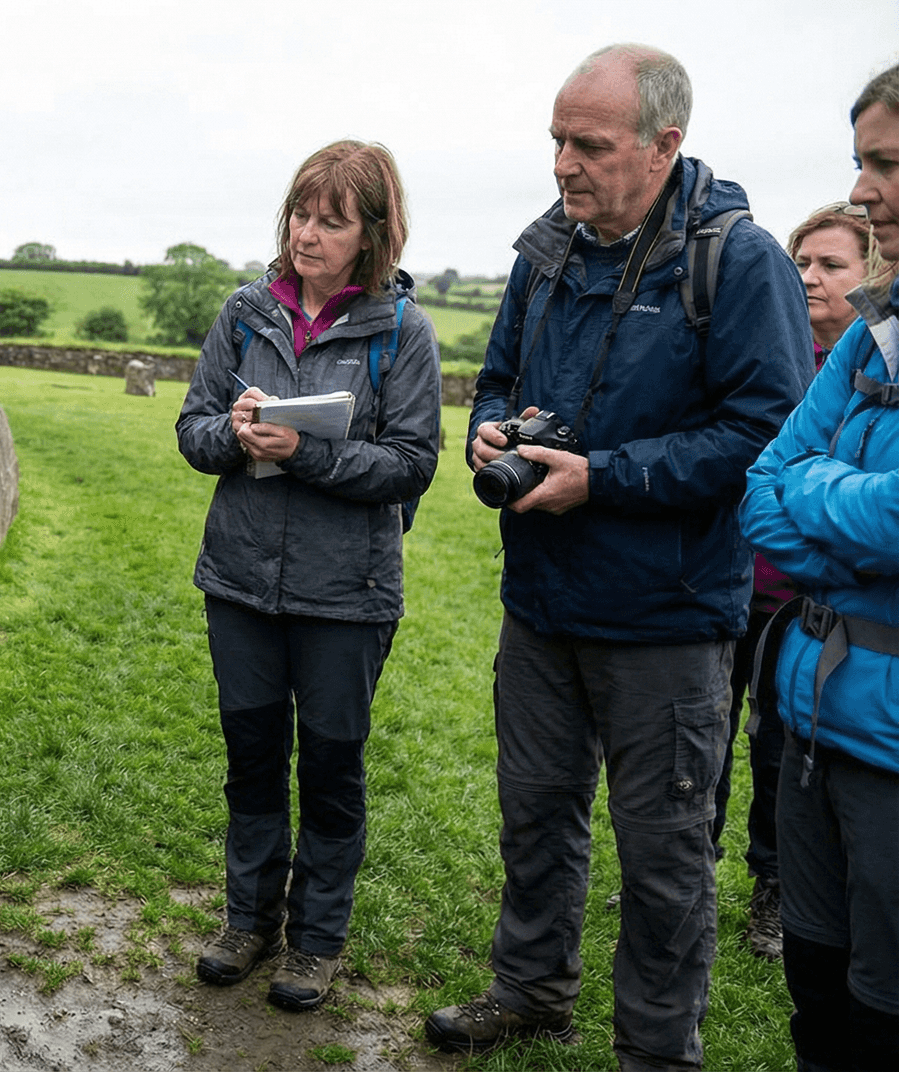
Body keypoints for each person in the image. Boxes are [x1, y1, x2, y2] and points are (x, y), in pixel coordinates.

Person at [422, 44, 809, 1069]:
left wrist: (606, 475)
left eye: (588, 145)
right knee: (535, 816)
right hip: (542, 602)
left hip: (668, 619)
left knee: (665, 857)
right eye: (556, 139)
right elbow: (498, 374)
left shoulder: (738, 259)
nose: (563, 164)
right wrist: (492, 429)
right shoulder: (546, 249)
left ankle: (654, 1051)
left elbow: (767, 430)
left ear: (664, 144)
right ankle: (533, 988)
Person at [176, 141, 440, 1012]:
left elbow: (410, 465)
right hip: (242, 586)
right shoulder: (244, 314)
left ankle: (316, 942)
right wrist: (238, 435)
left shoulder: (402, 330)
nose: (308, 234)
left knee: (331, 770)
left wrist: (309, 455)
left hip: (347, 598)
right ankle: (248, 922)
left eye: (332, 220)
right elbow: (193, 431)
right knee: (252, 761)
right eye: (301, 213)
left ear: (372, 234)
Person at [740, 62, 899, 1072]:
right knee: (816, 993)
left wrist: (817, 490)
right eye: (860, 164)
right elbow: (763, 486)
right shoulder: (880, 324)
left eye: (886, 165)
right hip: (809, 719)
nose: (867, 190)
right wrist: (846, 506)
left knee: (885, 1009)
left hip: (891, 746)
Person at [714, 201, 885, 962]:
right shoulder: (772, 354)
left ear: (871, 272)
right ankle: (693, 863)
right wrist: (827, 532)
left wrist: (807, 495)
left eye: (831, 264)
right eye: (801, 262)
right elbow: (761, 480)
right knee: (710, 740)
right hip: (740, 584)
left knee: (779, 750)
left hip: (812, 612)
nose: (809, 278)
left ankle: (773, 894)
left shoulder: (867, 368)